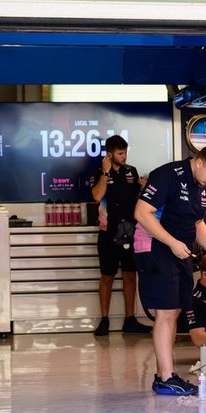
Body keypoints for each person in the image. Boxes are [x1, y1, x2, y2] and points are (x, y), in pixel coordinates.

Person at [134, 144, 206, 396]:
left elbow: (197, 221)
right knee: (166, 313)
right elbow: (142, 213)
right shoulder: (167, 175)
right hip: (156, 246)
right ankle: (165, 378)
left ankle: (165, 374)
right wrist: (173, 243)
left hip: (179, 250)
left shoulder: (202, 186)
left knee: (174, 311)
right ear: (199, 162)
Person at [90, 134, 150, 335]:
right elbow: (97, 196)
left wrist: (144, 187)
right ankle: (104, 320)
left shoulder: (130, 171)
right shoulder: (98, 172)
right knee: (106, 277)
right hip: (108, 234)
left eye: (125, 152)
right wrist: (105, 174)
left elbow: (138, 199)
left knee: (130, 276)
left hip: (129, 232)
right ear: (109, 154)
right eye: (120, 153)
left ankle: (130, 320)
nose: (124, 157)